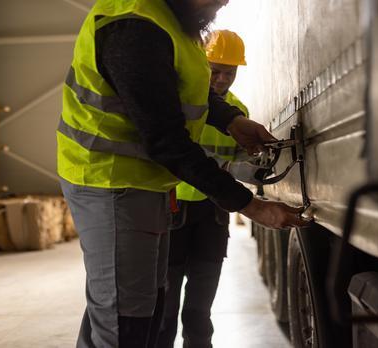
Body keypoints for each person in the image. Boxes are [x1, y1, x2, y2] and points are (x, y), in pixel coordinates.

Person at [57, 0, 308, 347]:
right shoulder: (135, 26)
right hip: (111, 182)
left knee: (140, 306)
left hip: (144, 184)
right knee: (124, 324)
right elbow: (167, 140)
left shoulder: (173, 21)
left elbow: (183, 87)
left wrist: (231, 120)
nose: (224, 1)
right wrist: (251, 206)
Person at [157, 30, 251, 348]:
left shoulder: (238, 114)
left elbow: (240, 160)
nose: (222, 79)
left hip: (213, 214)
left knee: (200, 308)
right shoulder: (178, 103)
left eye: (230, 72)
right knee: (165, 308)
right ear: (202, 64)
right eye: (215, 70)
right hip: (173, 210)